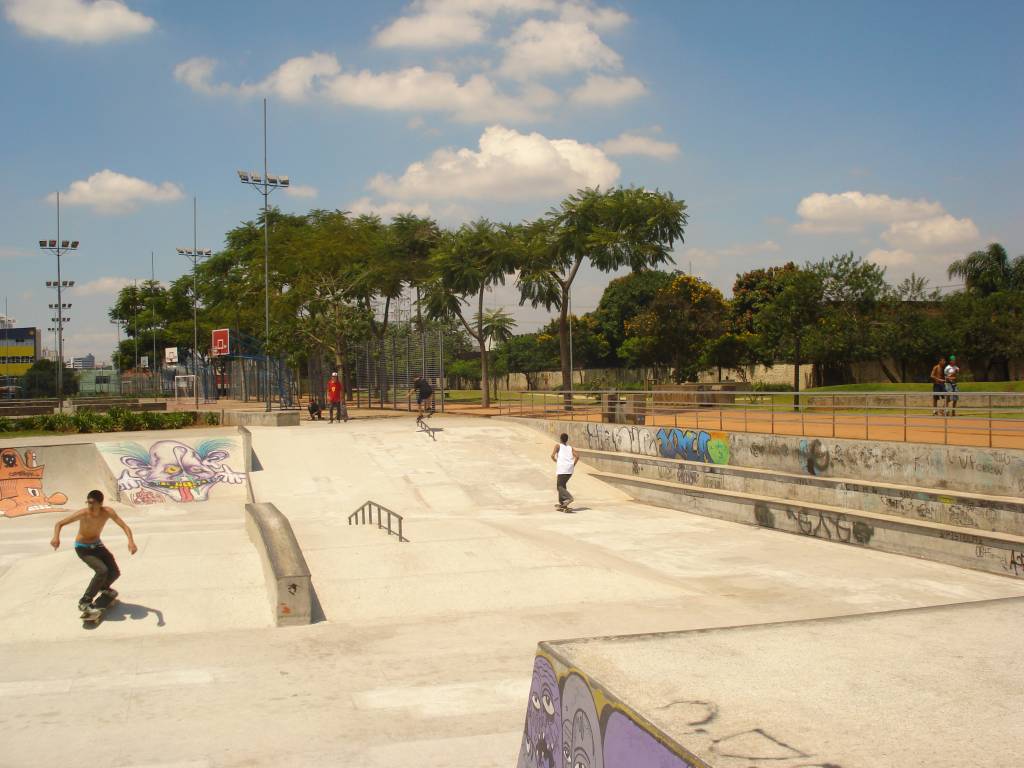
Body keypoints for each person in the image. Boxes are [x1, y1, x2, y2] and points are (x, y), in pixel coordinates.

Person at [50, 490, 137, 613]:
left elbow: (125, 526)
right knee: (102, 570)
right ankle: (84, 602)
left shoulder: (108, 512)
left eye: (92, 503)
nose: (90, 506)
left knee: (115, 572)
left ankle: (103, 587)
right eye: (88, 502)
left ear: (100, 503)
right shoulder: (83, 513)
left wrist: (131, 542)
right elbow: (59, 523)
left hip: (97, 546)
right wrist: (56, 537)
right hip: (83, 548)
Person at [550, 432, 579, 512]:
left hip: (562, 469)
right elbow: (577, 456)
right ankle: (563, 504)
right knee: (562, 485)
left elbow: (552, 456)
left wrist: (557, 461)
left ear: (560, 439)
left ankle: (569, 498)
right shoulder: (570, 448)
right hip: (570, 469)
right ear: (567, 440)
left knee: (559, 486)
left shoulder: (558, 446)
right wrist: (573, 465)